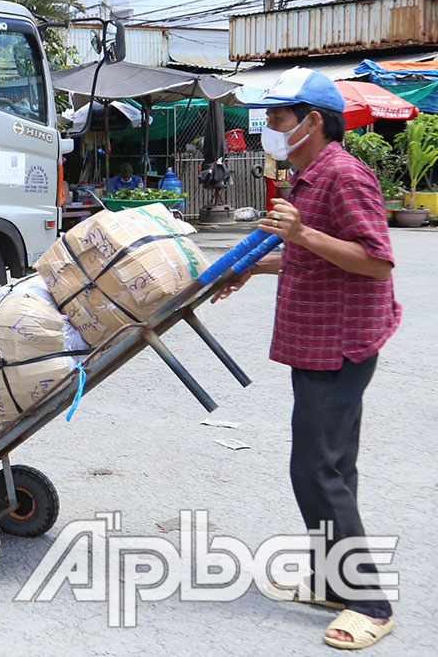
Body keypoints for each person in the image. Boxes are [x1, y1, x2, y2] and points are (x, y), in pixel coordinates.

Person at [213, 68, 399, 650]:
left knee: (315, 468)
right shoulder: (307, 177)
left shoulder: (342, 175)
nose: (268, 126)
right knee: (334, 466)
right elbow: (308, 255)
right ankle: (330, 579)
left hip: (340, 344)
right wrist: (249, 268)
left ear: (312, 121)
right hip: (318, 340)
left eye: (278, 117)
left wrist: (302, 236)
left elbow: (376, 259)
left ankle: (369, 601)